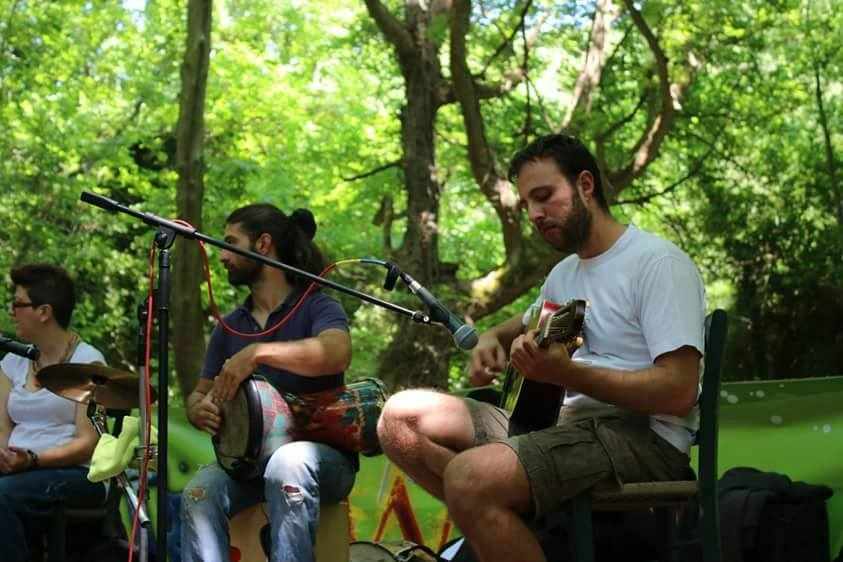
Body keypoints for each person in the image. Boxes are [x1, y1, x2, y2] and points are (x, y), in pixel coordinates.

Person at [376, 134, 706, 562]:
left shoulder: (658, 264)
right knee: (399, 419)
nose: (534, 214)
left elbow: (679, 391)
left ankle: (488, 507)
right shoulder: (565, 273)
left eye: (544, 196)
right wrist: (492, 339)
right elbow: (521, 325)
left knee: (468, 480)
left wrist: (567, 375)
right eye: (527, 204)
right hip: (557, 425)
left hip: (640, 439)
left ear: (585, 185)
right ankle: (503, 522)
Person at [181, 203, 356, 562]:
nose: (222, 255)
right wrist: (197, 408)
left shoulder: (316, 306)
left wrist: (259, 352)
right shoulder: (230, 325)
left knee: (288, 462)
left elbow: (337, 352)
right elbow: (200, 392)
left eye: (230, 242)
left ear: (263, 244)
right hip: (248, 464)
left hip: (324, 458)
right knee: (199, 493)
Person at [0, 263, 107, 562]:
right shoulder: (13, 361)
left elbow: (88, 442)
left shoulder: (88, 361)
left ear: (44, 311)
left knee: (2, 496)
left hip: (74, 474)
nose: (11, 312)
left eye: (18, 304)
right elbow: (2, 429)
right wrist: (6, 457)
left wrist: (31, 460)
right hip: (18, 470)